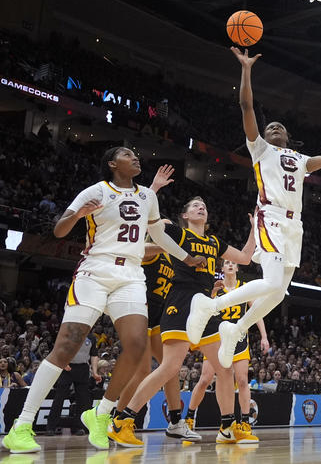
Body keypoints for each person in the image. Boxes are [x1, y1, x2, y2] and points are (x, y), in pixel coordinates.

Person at [2, 147, 202, 454]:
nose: (136, 157)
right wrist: (78, 215)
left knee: (137, 349)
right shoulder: (96, 191)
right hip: (95, 271)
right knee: (66, 346)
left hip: (132, 275)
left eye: (137, 154)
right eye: (127, 154)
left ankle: (101, 414)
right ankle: (22, 425)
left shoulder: (148, 197)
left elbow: (158, 235)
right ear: (112, 164)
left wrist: (185, 257)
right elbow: (59, 230)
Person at [185, 47, 321, 369]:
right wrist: (247, 70)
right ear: (262, 137)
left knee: (278, 292)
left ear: (289, 136)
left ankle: (236, 328)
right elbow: (246, 105)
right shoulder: (260, 150)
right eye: (270, 127)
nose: (274, 128)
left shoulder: (300, 159)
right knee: (271, 281)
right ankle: (210, 307)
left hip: (296, 224)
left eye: (280, 127)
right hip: (272, 215)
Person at [108, 196, 255, 447]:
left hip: (206, 306)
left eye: (205, 206)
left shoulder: (213, 241)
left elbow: (245, 257)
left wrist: (254, 229)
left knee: (224, 368)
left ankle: (227, 427)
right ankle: (123, 420)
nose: (202, 208)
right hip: (182, 301)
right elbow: (147, 229)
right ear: (185, 215)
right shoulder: (177, 233)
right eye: (195, 206)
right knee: (170, 367)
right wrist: (154, 210)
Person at [114, 165, 200, 442]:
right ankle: (117, 419)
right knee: (141, 372)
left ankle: (176, 421)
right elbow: (138, 248)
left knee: (170, 370)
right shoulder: (151, 251)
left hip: (161, 318)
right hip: (139, 313)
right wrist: (164, 241)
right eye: (163, 228)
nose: (168, 231)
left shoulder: (174, 261)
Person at [184, 260, 268, 443]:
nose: (230, 265)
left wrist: (264, 336)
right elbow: (206, 310)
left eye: (233, 263)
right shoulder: (217, 288)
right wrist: (213, 293)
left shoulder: (245, 288)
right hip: (217, 340)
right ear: (222, 269)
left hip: (238, 340)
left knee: (243, 380)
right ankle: (188, 420)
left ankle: (244, 424)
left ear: (237, 268)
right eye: (227, 263)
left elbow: (256, 313)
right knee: (205, 379)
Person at [45, 332, 100, 436]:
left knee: (82, 399)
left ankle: (78, 427)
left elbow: (94, 355)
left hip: (83, 368)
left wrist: (95, 372)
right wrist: (63, 363)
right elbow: (58, 349)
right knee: (59, 398)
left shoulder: (91, 337)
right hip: (67, 367)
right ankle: (51, 427)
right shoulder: (69, 332)